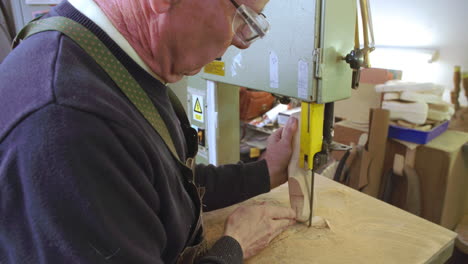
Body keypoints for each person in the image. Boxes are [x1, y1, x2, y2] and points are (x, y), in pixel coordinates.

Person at [0, 0, 298, 263]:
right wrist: (233, 248)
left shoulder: (111, 61)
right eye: (242, 17)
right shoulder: (70, 123)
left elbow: (161, 183)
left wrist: (267, 171)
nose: (240, 42)